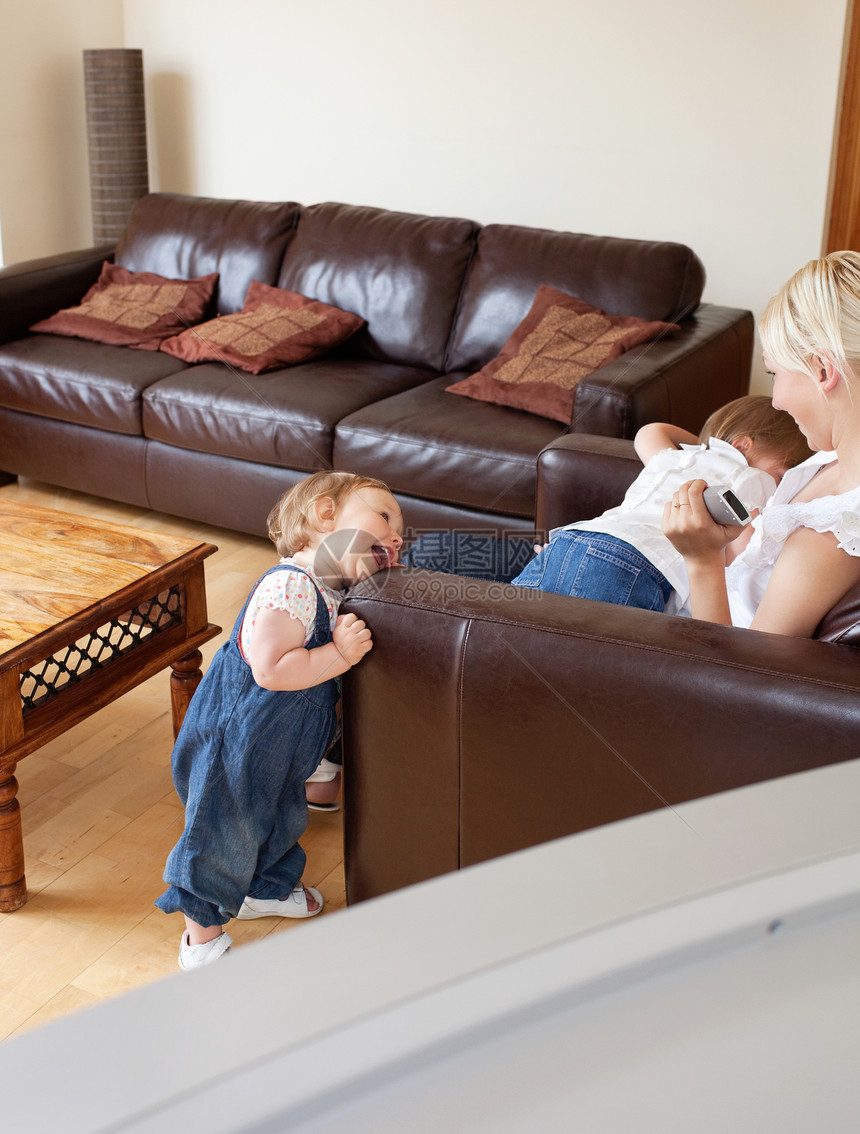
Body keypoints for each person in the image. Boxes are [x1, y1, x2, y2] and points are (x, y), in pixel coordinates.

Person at [155, 471, 403, 969]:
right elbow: (271, 670)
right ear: (325, 515)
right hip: (235, 743)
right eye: (384, 516)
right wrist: (339, 654)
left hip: (280, 748)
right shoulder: (292, 585)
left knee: (278, 818)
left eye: (401, 533)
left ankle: (263, 889)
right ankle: (200, 943)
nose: (397, 535)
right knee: (221, 832)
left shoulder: (331, 594)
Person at [663, 250, 860, 636]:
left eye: (774, 373)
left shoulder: (828, 539)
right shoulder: (828, 464)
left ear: (822, 371)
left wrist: (702, 561)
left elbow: (737, 684)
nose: (775, 401)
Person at [509, 395, 811, 614]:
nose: (784, 480)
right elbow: (740, 550)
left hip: (569, 540)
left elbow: (651, 431)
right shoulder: (753, 478)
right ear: (743, 445)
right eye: (784, 470)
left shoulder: (672, 458)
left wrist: (704, 445)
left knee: (507, 635)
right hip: (635, 563)